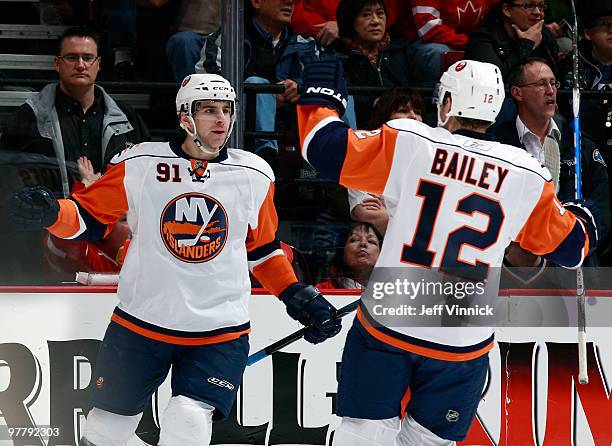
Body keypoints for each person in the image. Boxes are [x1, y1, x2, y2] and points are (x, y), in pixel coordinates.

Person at [9, 73, 342, 446]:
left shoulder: (254, 173)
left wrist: (296, 295)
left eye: (227, 110)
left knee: (186, 418)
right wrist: (51, 213)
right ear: (185, 116)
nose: (221, 120)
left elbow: (262, 250)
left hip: (219, 331)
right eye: (209, 110)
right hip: (140, 325)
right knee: (104, 431)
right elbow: (87, 218)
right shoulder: (140, 163)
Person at [296, 54, 598, 445]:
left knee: (363, 432)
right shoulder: (526, 171)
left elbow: (321, 147)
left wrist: (323, 98)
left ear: (448, 103)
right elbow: (571, 250)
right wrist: (582, 217)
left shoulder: (411, 140)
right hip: (462, 339)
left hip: (391, 321)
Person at [0, 26, 150, 198]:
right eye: (71, 57)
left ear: (98, 64)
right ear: (57, 63)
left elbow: (145, 174)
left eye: (87, 58)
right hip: (52, 220)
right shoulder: (30, 116)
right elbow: (8, 177)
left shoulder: (126, 117)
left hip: (112, 221)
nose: (80, 65)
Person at [496, 58, 611, 265]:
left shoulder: (579, 143)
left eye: (553, 83)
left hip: (572, 260)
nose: (551, 90)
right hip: (512, 260)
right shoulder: (498, 142)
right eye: (541, 84)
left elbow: (602, 208)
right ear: (517, 92)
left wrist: (576, 238)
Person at [349, 87, 426, 235]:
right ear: (385, 118)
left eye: (418, 112)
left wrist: (389, 212)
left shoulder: (432, 158)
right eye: (403, 111)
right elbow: (366, 213)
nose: (413, 117)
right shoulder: (365, 157)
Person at [334, 0, 413, 128]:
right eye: (366, 15)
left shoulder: (403, 52)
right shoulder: (339, 59)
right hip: (361, 134)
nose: (376, 21)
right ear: (350, 20)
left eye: (380, 14)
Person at [406, 0, 498, 86]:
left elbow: (499, 21)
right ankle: (433, 98)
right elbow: (428, 28)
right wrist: (471, 42)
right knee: (435, 53)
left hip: (477, 42)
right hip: (436, 43)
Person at [316, 222, 382, 289]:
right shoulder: (322, 291)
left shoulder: (391, 290)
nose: (363, 243)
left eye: (371, 241)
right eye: (354, 240)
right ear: (342, 252)